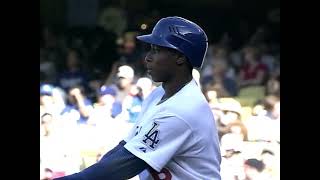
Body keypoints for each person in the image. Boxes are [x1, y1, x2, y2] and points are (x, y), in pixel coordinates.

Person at [54, 16, 221, 180]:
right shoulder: (158, 94)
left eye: (157, 50)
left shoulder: (184, 109)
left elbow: (124, 166)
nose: (148, 57)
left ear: (180, 57)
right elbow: (125, 147)